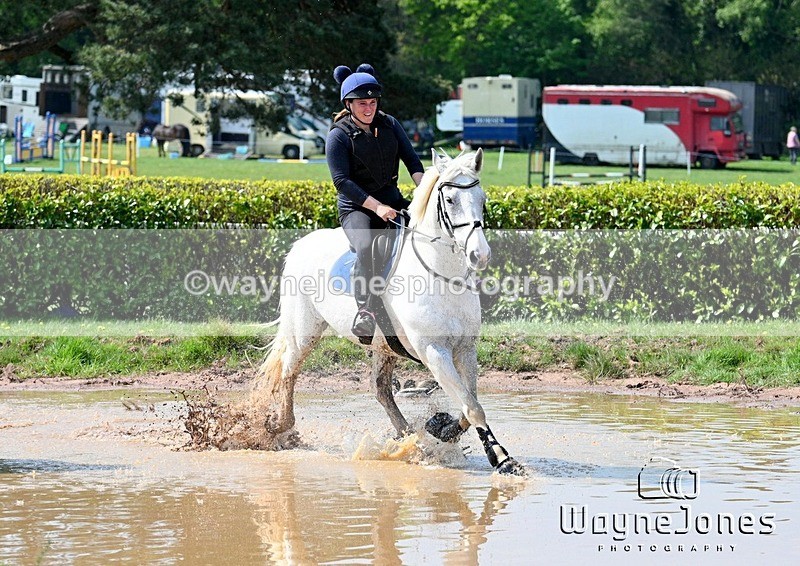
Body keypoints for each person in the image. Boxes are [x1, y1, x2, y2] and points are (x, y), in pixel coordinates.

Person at [327, 63, 425, 343]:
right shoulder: (338, 135)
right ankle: (365, 310)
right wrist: (377, 207)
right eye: (361, 104)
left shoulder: (390, 124)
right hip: (356, 208)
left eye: (372, 102)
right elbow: (342, 182)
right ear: (348, 104)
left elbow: (413, 162)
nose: (368, 108)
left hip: (393, 203)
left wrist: (427, 192)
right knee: (367, 245)